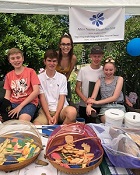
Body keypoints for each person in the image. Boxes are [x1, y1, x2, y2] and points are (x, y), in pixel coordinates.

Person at [33, 49, 77, 125]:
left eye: (54, 61)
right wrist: (49, 116)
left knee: (72, 112)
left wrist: (56, 116)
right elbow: (42, 98)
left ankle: (60, 133)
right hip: (46, 110)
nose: (52, 63)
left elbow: (62, 98)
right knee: (36, 125)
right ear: (45, 62)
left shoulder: (62, 77)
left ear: (57, 62)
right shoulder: (39, 78)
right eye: (49, 61)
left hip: (61, 110)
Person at [3, 48, 40, 122]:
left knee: (23, 121)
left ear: (23, 58)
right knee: (6, 120)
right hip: (13, 103)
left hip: (29, 103)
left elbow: (36, 91)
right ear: (9, 61)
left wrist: (20, 106)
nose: (16, 60)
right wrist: (2, 109)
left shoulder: (30, 72)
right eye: (13, 58)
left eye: (18, 57)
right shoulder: (9, 75)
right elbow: (7, 96)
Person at [86, 57, 126, 123]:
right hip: (105, 108)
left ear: (114, 70)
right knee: (109, 123)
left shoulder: (119, 79)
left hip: (119, 107)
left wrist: (97, 102)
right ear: (103, 70)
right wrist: (89, 105)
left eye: (111, 70)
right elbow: (93, 97)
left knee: (120, 123)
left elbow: (114, 97)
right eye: (106, 70)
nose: (108, 72)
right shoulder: (99, 81)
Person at [75, 46, 104, 123]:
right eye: (94, 56)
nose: (96, 59)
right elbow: (77, 88)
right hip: (84, 106)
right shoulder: (83, 70)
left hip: (100, 106)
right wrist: (86, 100)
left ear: (102, 57)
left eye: (99, 56)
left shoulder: (105, 70)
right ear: (90, 56)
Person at [56, 33, 77, 103]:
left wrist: (62, 88)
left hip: (63, 83)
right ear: (60, 45)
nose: (66, 47)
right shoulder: (55, 55)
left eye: (68, 44)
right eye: (63, 44)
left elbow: (68, 75)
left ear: (71, 46)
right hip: (51, 83)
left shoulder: (73, 58)